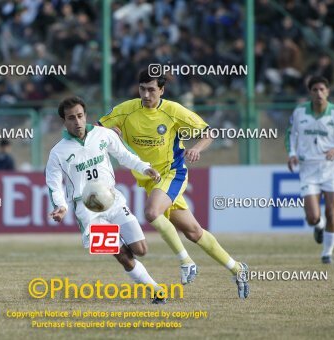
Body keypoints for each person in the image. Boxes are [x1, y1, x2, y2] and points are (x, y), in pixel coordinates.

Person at [98, 70, 249, 299]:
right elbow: (97, 128)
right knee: (194, 232)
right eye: (142, 89)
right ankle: (238, 269)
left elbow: (208, 132)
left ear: (162, 90)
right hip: (151, 181)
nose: (146, 94)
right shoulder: (126, 110)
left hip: (172, 173)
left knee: (151, 212)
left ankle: (186, 262)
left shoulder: (173, 111)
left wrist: (196, 149)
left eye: (151, 89)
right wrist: (110, 133)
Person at [46, 96, 166, 304]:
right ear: (64, 122)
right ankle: (155, 290)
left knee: (141, 250)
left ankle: (125, 251)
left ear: (85, 115)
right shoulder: (58, 152)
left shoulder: (104, 135)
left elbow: (124, 155)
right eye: (71, 118)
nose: (77, 122)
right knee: (121, 255)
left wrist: (145, 167)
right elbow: (54, 183)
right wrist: (61, 206)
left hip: (113, 200)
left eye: (80, 116)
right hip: (87, 211)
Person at [286, 76, 334, 264]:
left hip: (331, 169)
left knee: (332, 212)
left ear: (328, 92)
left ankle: (327, 253)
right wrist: (292, 152)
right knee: (312, 217)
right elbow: (290, 134)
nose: (319, 93)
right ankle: (318, 226)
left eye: (322, 89)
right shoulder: (300, 112)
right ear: (310, 92)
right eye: (315, 90)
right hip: (308, 168)